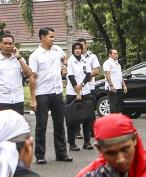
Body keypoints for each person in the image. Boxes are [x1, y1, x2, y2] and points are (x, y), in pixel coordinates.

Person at [29, 27, 73, 164]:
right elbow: (32, 77)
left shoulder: (57, 49)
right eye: (51, 37)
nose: (53, 39)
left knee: (60, 124)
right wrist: (33, 98)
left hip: (57, 92)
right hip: (42, 94)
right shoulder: (35, 55)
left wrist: (64, 65)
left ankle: (62, 154)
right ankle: (40, 156)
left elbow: (64, 57)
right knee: (41, 126)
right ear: (42, 37)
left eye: (54, 37)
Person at [0, 34, 34, 115]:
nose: (8, 46)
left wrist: (19, 58)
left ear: (13, 45)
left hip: (17, 100)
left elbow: (29, 74)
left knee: (17, 126)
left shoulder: (19, 59)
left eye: (10, 44)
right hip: (0, 101)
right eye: (5, 43)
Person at [66, 42, 94, 151]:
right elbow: (70, 75)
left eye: (79, 48)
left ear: (81, 50)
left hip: (85, 91)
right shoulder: (70, 60)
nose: (77, 50)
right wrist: (76, 87)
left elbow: (88, 74)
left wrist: (81, 85)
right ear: (73, 50)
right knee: (72, 119)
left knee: (87, 118)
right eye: (75, 48)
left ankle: (87, 142)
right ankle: (72, 144)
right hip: (72, 92)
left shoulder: (85, 60)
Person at [79, 38, 101, 140]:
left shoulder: (92, 57)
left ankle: (93, 131)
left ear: (86, 45)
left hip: (90, 87)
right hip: (78, 88)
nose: (80, 48)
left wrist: (87, 76)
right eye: (79, 46)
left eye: (82, 45)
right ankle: (77, 131)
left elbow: (97, 71)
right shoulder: (75, 58)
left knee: (90, 111)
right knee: (77, 110)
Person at [103, 49, 127, 114]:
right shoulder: (107, 63)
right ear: (110, 54)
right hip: (112, 87)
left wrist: (124, 85)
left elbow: (120, 75)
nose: (117, 55)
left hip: (119, 87)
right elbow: (107, 74)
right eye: (115, 53)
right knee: (113, 105)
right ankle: (113, 122)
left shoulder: (118, 64)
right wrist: (111, 85)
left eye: (117, 53)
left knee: (118, 105)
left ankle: (117, 121)